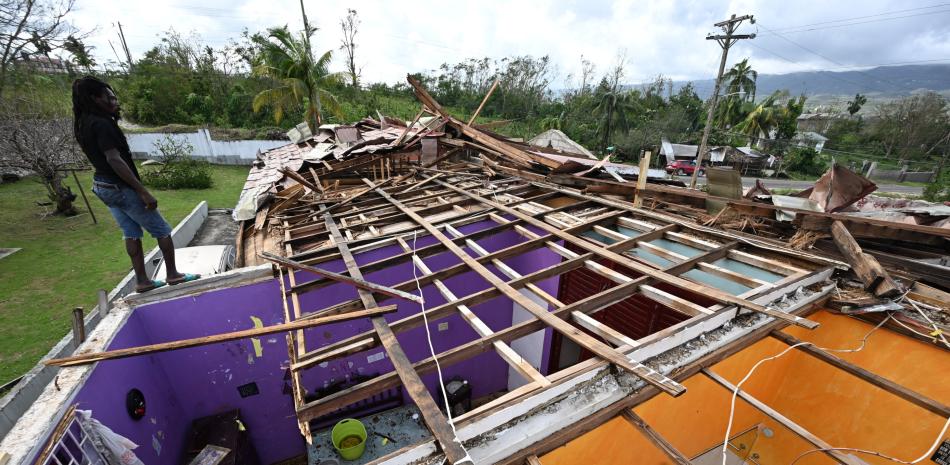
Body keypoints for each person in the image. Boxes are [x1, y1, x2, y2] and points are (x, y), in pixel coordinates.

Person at [72, 76, 199, 292]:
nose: (115, 102)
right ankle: (173, 275)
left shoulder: (83, 124)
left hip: (103, 186)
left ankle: (142, 281)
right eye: (110, 98)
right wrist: (143, 191)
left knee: (131, 232)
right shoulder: (102, 124)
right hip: (119, 186)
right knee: (162, 230)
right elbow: (114, 159)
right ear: (95, 99)